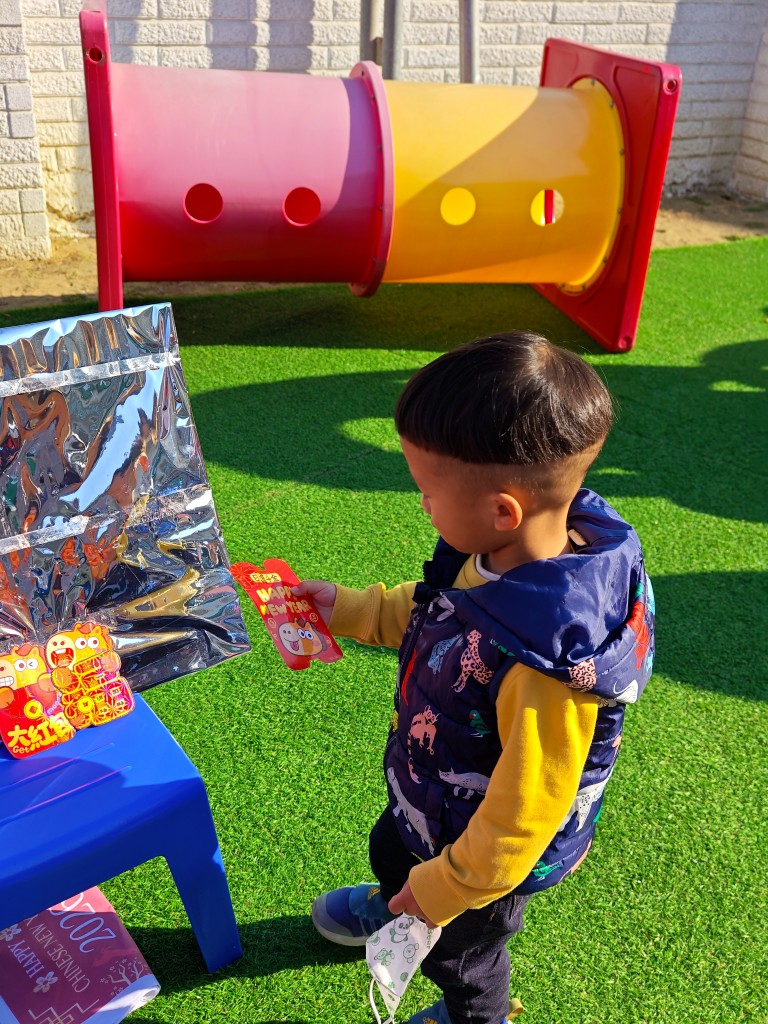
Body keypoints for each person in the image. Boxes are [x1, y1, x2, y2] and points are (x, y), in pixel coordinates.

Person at [295, 331, 655, 1024]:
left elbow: (524, 815)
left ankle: (476, 1015)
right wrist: (353, 608)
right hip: (436, 793)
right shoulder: (498, 553)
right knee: (390, 846)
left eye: (428, 491)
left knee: (464, 959)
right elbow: (442, 608)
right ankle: (397, 900)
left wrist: (447, 889)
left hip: (484, 857)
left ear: (502, 510)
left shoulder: (546, 665)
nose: (422, 505)